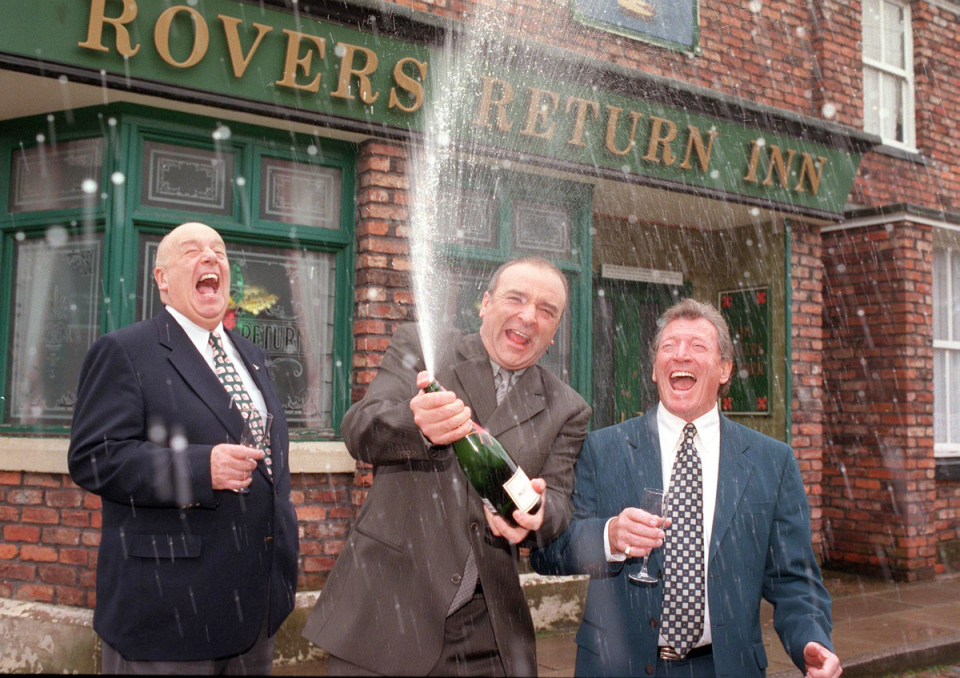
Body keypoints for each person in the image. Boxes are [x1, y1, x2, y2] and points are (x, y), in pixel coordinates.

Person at [302, 257, 591, 676]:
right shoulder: (422, 346)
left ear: (554, 334)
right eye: (516, 298)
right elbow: (358, 430)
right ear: (486, 304)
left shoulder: (568, 408)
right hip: (384, 609)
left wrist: (539, 515)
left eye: (547, 311)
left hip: (485, 626)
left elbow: (559, 502)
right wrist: (414, 422)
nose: (529, 316)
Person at [533, 298, 842, 678]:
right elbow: (548, 553)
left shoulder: (771, 461)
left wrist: (810, 640)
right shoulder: (602, 449)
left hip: (726, 668)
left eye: (698, 346)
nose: (681, 355)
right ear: (653, 369)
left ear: (725, 369)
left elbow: (795, 580)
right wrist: (609, 537)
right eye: (669, 346)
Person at [68, 222, 299, 674]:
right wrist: (200, 468)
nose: (211, 258)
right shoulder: (124, 350)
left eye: (219, 251)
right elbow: (94, 458)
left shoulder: (252, 355)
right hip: (169, 616)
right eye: (192, 251)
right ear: (162, 280)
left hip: (254, 612)